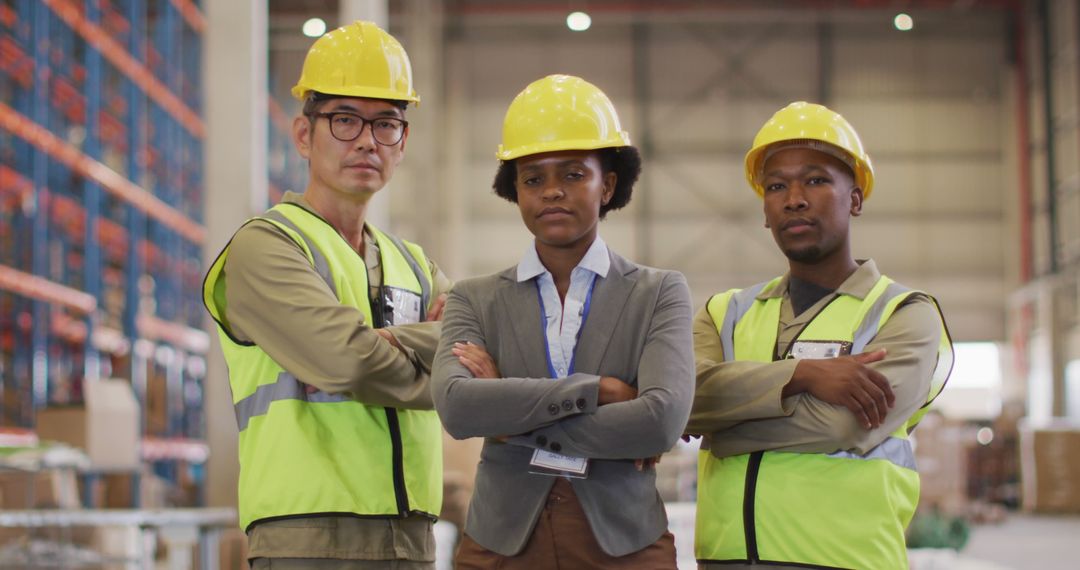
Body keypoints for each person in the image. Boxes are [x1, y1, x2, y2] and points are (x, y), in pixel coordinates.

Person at [202, 21, 450, 569]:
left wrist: (377, 345)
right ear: (302, 134)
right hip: (308, 536)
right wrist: (429, 354)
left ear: (403, 142)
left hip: (412, 536)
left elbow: (482, 356)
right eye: (344, 119)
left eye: (386, 123)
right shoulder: (266, 247)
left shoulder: (414, 263)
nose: (367, 139)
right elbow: (350, 363)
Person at [430, 74, 693, 569]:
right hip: (499, 542)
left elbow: (660, 421)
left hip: (625, 542)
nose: (552, 191)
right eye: (533, 178)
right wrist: (600, 392)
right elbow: (459, 409)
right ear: (516, 191)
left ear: (607, 185)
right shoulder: (473, 298)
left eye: (573, 174)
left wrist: (508, 413)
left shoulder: (659, 292)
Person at [688, 101, 953, 570]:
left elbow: (841, 425)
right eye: (776, 186)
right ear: (765, 211)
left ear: (855, 198)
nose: (794, 198)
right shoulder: (724, 312)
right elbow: (685, 400)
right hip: (724, 558)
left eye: (815, 180)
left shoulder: (903, 314)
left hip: (844, 559)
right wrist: (801, 376)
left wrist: (722, 430)